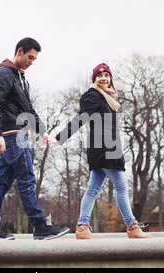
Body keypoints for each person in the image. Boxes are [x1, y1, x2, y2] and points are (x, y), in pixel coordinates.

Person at [0, 37, 70, 240]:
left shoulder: (20, 78)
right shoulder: (3, 73)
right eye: (30, 57)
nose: (31, 62)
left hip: (18, 133)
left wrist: (43, 132)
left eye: (34, 59)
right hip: (12, 135)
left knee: (2, 181)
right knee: (27, 179)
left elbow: (28, 109)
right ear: (19, 51)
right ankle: (39, 226)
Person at [52, 63, 152, 239]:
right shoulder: (94, 95)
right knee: (121, 186)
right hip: (106, 147)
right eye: (99, 75)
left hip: (102, 147)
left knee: (92, 189)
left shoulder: (106, 98)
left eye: (106, 75)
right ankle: (131, 226)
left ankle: (82, 227)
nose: (103, 78)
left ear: (111, 78)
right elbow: (80, 118)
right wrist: (60, 138)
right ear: (94, 79)